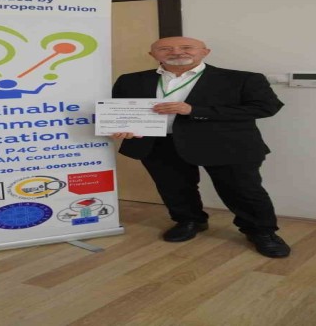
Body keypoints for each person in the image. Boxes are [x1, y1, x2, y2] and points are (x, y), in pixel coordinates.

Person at [111, 36, 290, 258]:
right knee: (174, 188)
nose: (176, 52)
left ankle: (262, 232)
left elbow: (266, 108)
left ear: (205, 52)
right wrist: (124, 128)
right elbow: (120, 111)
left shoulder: (243, 78)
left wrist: (194, 110)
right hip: (158, 143)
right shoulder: (130, 80)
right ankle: (189, 220)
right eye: (165, 49)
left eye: (186, 47)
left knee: (242, 191)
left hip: (226, 144)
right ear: (152, 55)